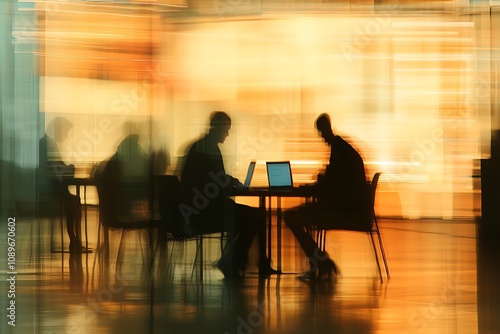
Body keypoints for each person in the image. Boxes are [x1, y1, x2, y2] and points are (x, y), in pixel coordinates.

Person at [179, 111, 276, 279]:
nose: (228, 133)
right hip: (205, 211)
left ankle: (234, 259)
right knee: (253, 216)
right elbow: (216, 179)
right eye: (227, 129)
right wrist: (233, 183)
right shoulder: (209, 148)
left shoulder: (202, 146)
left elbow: (214, 178)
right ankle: (235, 260)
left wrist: (229, 181)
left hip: (196, 207)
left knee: (247, 216)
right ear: (219, 128)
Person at [284, 113, 370, 280]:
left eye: (321, 133)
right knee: (300, 216)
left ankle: (319, 262)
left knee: (291, 217)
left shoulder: (339, 150)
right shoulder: (343, 148)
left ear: (325, 130)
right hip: (350, 207)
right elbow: (337, 179)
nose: (322, 137)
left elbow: (332, 183)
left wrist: (315, 185)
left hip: (343, 211)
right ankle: (319, 262)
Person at [38, 117, 83, 253]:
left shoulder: (46, 143)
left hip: (51, 192)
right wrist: (70, 168)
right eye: (66, 132)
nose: (66, 135)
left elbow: (56, 167)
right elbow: (56, 170)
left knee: (73, 201)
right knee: (75, 202)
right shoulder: (48, 145)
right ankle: (75, 240)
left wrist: (66, 167)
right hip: (52, 194)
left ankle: (74, 239)